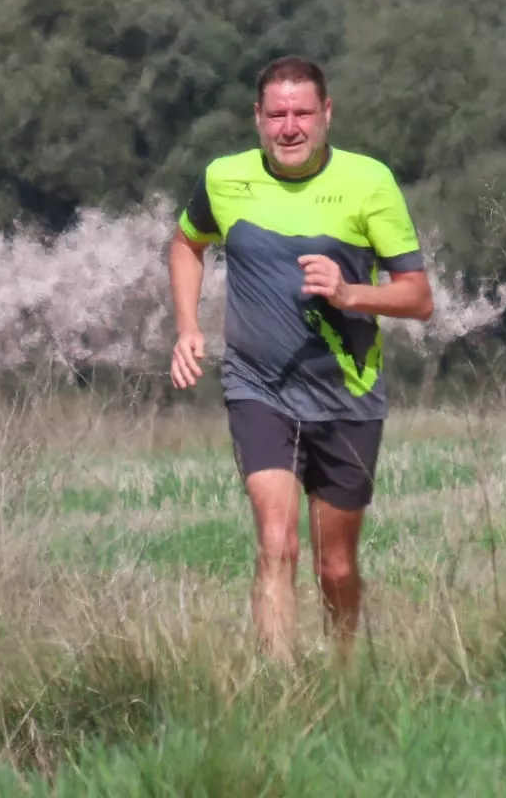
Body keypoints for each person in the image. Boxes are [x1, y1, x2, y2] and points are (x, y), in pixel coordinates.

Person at [167, 55, 434, 663]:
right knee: (277, 541)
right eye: (278, 115)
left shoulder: (369, 182)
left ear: (327, 115)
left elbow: (418, 298)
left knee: (334, 564)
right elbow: (186, 243)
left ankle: (341, 670)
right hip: (258, 387)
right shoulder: (223, 179)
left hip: (347, 395)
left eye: (303, 114)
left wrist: (350, 294)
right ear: (257, 119)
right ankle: (278, 690)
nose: (291, 128)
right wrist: (186, 327)